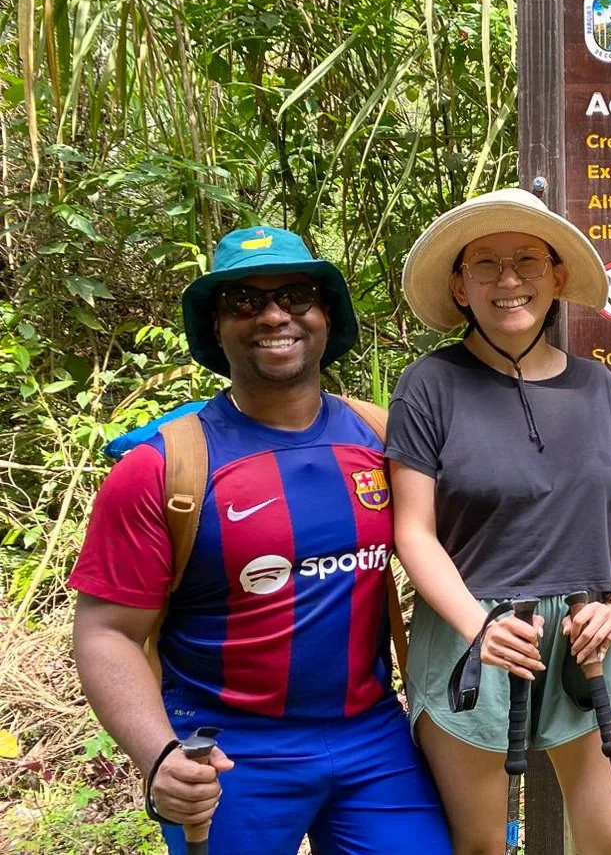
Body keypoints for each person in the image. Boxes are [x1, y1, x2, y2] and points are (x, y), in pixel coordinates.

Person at [70, 227, 452, 855]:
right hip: (223, 751)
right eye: (243, 301)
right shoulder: (164, 468)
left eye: (297, 295)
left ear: (327, 315)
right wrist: (160, 756)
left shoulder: (385, 441)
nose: (274, 315)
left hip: (374, 738)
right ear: (215, 329)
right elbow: (107, 632)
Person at [386, 188, 611, 855]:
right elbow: (412, 529)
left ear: (557, 278)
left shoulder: (599, 387)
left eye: (528, 261)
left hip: (592, 634)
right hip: (471, 635)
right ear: (459, 286)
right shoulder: (430, 385)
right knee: (479, 847)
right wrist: (477, 625)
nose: (509, 280)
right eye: (486, 264)